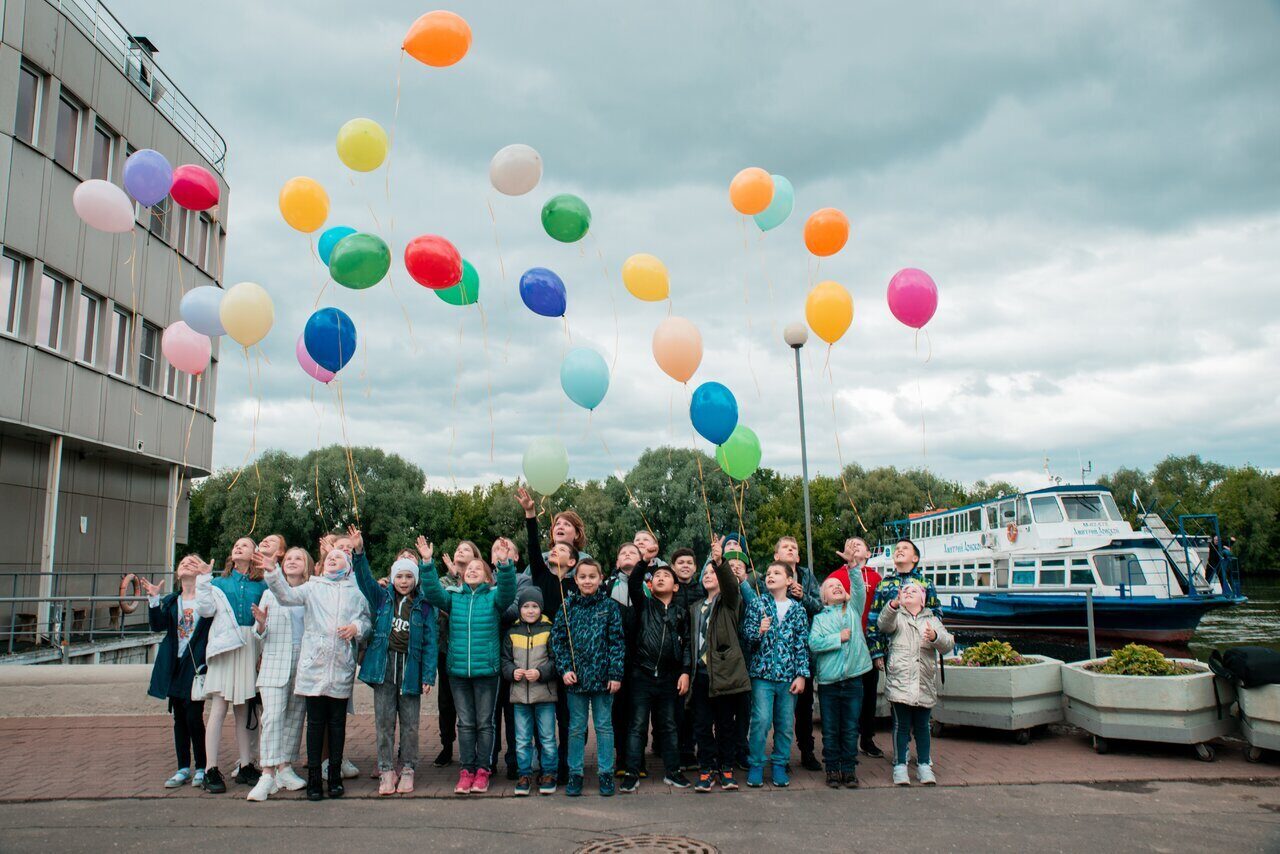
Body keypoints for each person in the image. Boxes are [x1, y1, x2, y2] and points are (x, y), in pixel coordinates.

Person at [263, 543, 370, 801]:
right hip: (314, 666)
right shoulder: (312, 587)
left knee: (337, 724)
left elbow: (366, 621)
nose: (333, 559)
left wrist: (356, 627)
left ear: (348, 565)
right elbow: (286, 596)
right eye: (329, 557)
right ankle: (313, 777)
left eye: (339, 557)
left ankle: (333, 776)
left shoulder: (356, 592)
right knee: (315, 724)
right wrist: (272, 573)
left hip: (340, 666)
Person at [420, 537, 518, 795]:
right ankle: (467, 771)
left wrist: (505, 564)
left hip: (487, 670)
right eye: (469, 569)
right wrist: (427, 563)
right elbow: (431, 592)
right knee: (465, 723)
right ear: (461, 576)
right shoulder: (453, 598)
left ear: (487, 577)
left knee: (485, 723)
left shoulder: (495, 598)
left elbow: (509, 590)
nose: (473, 570)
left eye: (479, 568)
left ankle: (483, 770)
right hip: (458, 672)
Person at [356, 541, 438, 796]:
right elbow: (364, 579)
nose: (404, 581)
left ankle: (408, 768)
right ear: (392, 578)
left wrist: (428, 675)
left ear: (416, 578)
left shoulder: (424, 606)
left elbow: (430, 642)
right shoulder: (382, 597)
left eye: (409, 576)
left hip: (410, 669)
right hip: (384, 666)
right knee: (384, 721)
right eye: (399, 576)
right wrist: (359, 552)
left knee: (411, 723)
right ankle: (386, 769)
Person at [516, 486, 583, 784]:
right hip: (541, 655)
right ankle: (543, 767)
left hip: (567, 657)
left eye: (564, 551)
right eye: (554, 547)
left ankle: (569, 768)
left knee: (567, 718)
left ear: (573, 562)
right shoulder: (541, 576)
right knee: (541, 716)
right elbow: (533, 546)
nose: (556, 550)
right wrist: (531, 514)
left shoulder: (577, 586)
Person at [195, 536, 268, 794]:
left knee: (244, 708)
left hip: (248, 646)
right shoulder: (218, 583)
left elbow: (265, 619)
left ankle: (246, 763)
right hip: (226, 646)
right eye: (236, 544)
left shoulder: (261, 585)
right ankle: (210, 768)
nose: (238, 546)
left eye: (245, 545)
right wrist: (203, 579)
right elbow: (204, 609)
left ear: (254, 554)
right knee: (218, 707)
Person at [550, 559, 625, 797]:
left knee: (604, 726)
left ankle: (605, 772)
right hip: (576, 679)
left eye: (592, 576)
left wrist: (615, 673)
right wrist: (564, 669)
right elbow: (558, 640)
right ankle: (575, 773)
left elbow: (617, 641)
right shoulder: (567, 605)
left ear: (601, 578)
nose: (587, 581)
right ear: (576, 579)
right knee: (576, 728)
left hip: (603, 679)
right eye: (582, 576)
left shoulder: (609, 606)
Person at [619, 555, 691, 793]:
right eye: (657, 576)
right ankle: (631, 772)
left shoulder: (682, 613)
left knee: (669, 725)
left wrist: (685, 672)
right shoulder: (644, 605)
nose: (660, 578)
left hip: (669, 677)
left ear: (676, 585)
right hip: (642, 674)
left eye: (666, 576)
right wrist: (644, 561)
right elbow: (632, 583)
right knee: (637, 724)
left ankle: (673, 771)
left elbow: (687, 644)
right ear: (650, 585)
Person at [688, 536, 754, 793]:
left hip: (725, 674)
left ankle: (726, 768)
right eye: (704, 573)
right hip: (701, 675)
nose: (708, 575)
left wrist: (719, 561)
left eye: (712, 572)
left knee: (726, 724)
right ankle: (706, 768)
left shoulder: (729, 603)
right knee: (702, 725)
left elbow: (730, 584)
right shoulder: (695, 608)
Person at [246, 546, 313, 801]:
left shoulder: (311, 591)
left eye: (299, 558)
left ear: (307, 565)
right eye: (290, 558)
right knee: (272, 717)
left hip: (302, 661)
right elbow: (258, 632)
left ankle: (285, 767)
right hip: (275, 660)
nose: (293, 561)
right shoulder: (270, 593)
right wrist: (262, 624)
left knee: (296, 716)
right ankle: (267, 773)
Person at [144, 554, 212, 789]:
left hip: (195, 666)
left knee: (194, 716)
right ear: (177, 574)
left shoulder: (207, 599)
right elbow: (158, 625)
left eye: (193, 562)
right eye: (183, 562)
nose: (186, 564)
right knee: (179, 718)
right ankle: (183, 767)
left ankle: (202, 767)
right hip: (174, 663)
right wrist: (154, 599)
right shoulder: (173, 601)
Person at [742, 561, 811, 788]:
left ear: (789, 580)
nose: (770, 575)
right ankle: (757, 764)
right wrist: (758, 631)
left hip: (788, 677)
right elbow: (748, 638)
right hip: (762, 675)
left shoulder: (798, 609)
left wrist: (801, 675)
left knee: (784, 723)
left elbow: (801, 644)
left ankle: (780, 764)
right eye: (768, 572)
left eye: (777, 573)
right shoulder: (758, 604)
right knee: (761, 720)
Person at [878, 581, 953, 786]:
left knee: (922, 726)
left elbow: (948, 644)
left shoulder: (932, 620)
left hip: (923, 681)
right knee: (901, 725)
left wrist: (935, 637)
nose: (909, 593)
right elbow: (883, 625)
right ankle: (900, 765)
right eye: (905, 591)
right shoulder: (897, 616)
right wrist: (893, 604)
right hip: (900, 680)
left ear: (923, 599)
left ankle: (923, 764)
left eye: (914, 591)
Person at [809, 575, 872, 789]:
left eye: (839, 585)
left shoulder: (854, 609)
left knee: (850, 727)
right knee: (830, 728)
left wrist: (853, 568)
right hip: (829, 682)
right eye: (830, 586)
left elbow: (859, 589)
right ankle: (832, 769)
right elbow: (814, 643)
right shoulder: (819, 618)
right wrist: (838, 638)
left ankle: (848, 768)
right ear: (824, 598)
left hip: (853, 679)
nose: (836, 587)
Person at [827, 537, 886, 758]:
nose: (853, 547)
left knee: (869, 693)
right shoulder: (836, 577)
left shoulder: (876, 577)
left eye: (858, 544)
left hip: (869, 642)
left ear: (869, 554)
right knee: (847, 692)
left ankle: (867, 738)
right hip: (846, 642)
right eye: (849, 544)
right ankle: (845, 741)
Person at [502, 587, 560, 796]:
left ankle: (549, 773)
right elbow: (505, 660)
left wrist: (541, 672)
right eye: (526, 606)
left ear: (541, 608)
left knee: (546, 737)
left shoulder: (549, 630)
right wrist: (512, 672)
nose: (530, 610)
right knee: (522, 738)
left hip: (544, 694)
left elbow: (556, 660)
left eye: (534, 606)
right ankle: (524, 774)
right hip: (519, 695)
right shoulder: (512, 632)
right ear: (519, 609)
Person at [772, 535, 823, 772]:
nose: (790, 550)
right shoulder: (770, 576)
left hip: (802, 653)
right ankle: (780, 754)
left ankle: (807, 751)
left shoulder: (807, 576)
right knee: (780, 709)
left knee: (804, 707)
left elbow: (818, 608)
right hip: (777, 655)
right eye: (785, 547)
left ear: (798, 556)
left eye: (794, 548)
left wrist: (802, 596)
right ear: (776, 555)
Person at [430, 539, 478, 768]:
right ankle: (447, 745)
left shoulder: (479, 578)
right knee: (446, 702)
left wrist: (461, 578)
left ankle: (476, 747)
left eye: (466, 549)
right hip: (446, 648)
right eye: (459, 548)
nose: (461, 550)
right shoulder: (443, 580)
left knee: (471, 703)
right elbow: (439, 601)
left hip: (470, 648)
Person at [867, 538, 941, 667]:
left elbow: (935, 616)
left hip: (920, 649)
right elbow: (874, 617)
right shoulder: (884, 584)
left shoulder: (926, 584)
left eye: (905, 548)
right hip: (891, 650)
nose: (900, 550)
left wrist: (931, 637)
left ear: (915, 558)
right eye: (897, 548)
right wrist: (877, 651)